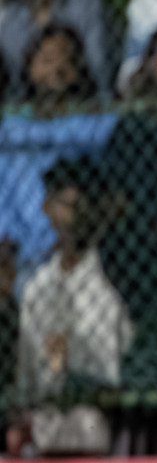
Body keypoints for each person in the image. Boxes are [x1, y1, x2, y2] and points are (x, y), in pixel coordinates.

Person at [16, 159, 132, 455]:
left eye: (80, 205)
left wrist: (73, 355)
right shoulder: (37, 287)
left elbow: (115, 376)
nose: (71, 217)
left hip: (94, 429)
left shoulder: (111, 285)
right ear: (47, 208)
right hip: (43, 426)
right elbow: (26, 373)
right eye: (64, 205)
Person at [0, 23, 115, 300]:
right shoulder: (11, 127)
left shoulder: (97, 121)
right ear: (29, 68)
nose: (58, 69)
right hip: (22, 252)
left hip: (81, 246)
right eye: (47, 60)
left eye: (68, 60)